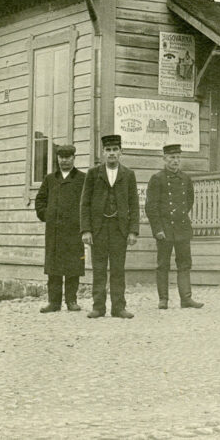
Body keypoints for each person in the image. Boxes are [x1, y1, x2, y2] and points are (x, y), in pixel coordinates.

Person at [80, 134, 139, 319]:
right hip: (98, 229)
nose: (112, 153)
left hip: (119, 230)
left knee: (117, 269)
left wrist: (133, 231)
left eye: (115, 150)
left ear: (121, 152)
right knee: (99, 269)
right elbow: (85, 203)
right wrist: (86, 230)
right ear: (103, 153)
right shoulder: (93, 174)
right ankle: (98, 307)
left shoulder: (128, 175)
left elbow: (134, 204)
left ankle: (118, 308)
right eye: (108, 150)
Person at [145, 143, 203, 310]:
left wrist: (180, 216)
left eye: (178, 157)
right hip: (165, 228)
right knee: (163, 264)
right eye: (172, 157)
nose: (175, 161)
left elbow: (189, 201)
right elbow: (151, 207)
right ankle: (163, 299)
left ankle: (186, 298)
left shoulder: (186, 179)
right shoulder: (157, 179)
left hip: (182, 227)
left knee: (184, 263)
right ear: (164, 159)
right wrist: (158, 229)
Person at [35, 143, 86, 312]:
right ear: (57, 158)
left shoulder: (82, 179)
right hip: (54, 231)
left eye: (68, 157)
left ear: (73, 158)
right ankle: (54, 302)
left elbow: (88, 203)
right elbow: (40, 200)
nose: (64, 161)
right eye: (61, 157)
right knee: (54, 268)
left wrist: (82, 223)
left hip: (74, 230)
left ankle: (71, 301)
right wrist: (47, 214)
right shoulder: (50, 179)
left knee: (73, 266)